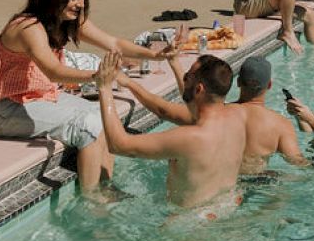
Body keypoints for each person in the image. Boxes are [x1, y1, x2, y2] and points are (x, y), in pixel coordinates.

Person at [0, 0, 173, 195]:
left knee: (104, 116)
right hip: (6, 108)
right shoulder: (28, 27)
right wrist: (98, 77)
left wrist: (156, 55)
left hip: (37, 98)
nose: (81, 4)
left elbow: (115, 43)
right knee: (86, 125)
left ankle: (106, 187)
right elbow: (53, 71)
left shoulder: (67, 21)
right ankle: (92, 198)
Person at [95, 52, 248, 215]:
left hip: (189, 227)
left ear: (199, 89)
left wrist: (104, 87)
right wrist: (129, 83)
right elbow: (167, 111)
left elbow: (118, 144)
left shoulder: (189, 138)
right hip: (227, 209)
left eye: (187, 77)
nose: (183, 78)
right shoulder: (238, 118)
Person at [116, 55, 308, 175]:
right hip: (257, 186)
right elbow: (298, 163)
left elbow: (167, 110)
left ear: (238, 82)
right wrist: (307, 120)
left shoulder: (220, 115)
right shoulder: (281, 125)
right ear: (269, 85)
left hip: (219, 185)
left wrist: (130, 84)